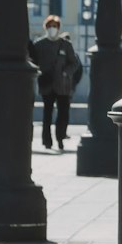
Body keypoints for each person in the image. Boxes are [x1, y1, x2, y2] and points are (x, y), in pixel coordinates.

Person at [29, 15, 82, 151]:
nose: (52, 29)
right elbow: (33, 60)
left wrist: (66, 72)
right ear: (46, 28)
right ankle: (47, 141)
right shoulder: (39, 45)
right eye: (50, 26)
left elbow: (75, 62)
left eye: (55, 26)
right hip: (47, 85)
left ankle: (60, 137)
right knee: (47, 113)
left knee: (63, 113)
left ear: (58, 28)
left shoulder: (66, 45)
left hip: (63, 85)